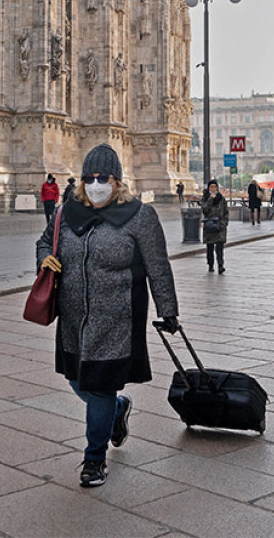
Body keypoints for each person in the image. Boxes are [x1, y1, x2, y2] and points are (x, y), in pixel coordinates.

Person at [36, 144, 179, 488]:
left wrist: (168, 310)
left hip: (117, 319)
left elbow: (158, 267)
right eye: (90, 178)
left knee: (98, 387)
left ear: (117, 181)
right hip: (73, 318)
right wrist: (44, 259)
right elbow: (44, 242)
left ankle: (94, 458)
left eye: (104, 178)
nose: (96, 184)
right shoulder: (67, 213)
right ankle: (117, 411)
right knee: (78, 381)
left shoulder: (139, 216)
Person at [201, 179, 228, 273]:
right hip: (209, 225)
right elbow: (205, 210)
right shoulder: (205, 198)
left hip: (220, 226)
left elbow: (226, 211)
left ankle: (220, 265)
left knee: (220, 247)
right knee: (210, 247)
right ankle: (210, 265)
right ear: (208, 188)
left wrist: (225, 222)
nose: (213, 189)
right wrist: (211, 199)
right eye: (211, 187)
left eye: (215, 187)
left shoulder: (221, 198)